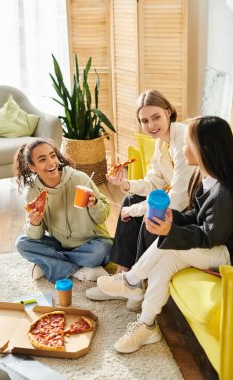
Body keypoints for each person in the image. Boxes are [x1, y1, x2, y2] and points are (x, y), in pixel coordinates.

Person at [96, 116, 233, 353]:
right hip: (209, 243)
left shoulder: (223, 192)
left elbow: (211, 237)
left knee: (167, 243)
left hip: (223, 254)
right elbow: (196, 217)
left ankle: (132, 280)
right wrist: (173, 219)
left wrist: (171, 231)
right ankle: (147, 324)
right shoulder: (205, 179)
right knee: (167, 257)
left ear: (205, 149)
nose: (183, 148)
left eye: (187, 143)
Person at [86, 89, 194, 305]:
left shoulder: (183, 137)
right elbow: (154, 181)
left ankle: (133, 283)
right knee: (130, 199)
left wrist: (135, 210)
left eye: (156, 117)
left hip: (191, 208)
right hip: (177, 201)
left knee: (139, 211)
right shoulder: (161, 143)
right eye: (144, 120)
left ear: (168, 112)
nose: (151, 125)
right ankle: (124, 275)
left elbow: (181, 198)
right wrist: (125, 184)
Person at [14, 138, 113, 284]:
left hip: (91, 243)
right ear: (32, 167)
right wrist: (34, 224)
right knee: (22, 243)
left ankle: (51, 264)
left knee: (105, 248)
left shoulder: (80, 179)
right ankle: (79, 270)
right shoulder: (32, 192)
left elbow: (102, 217)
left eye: (53, 156)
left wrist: (95, 204)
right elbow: (36, 236)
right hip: (60, 244)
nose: (51, 163)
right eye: (42, 160)